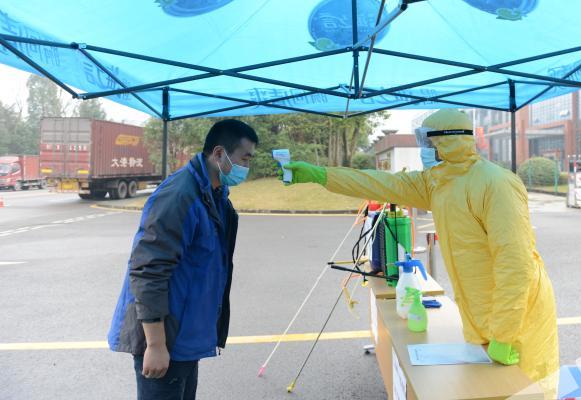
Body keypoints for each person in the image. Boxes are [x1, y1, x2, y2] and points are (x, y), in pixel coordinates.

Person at [284, 109, 558, 385]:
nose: (425, 149)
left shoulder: (497, 184)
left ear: (448, 140)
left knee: (529, 388)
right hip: (484, 318)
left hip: (520, 321)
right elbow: (379, 183)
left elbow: (515, 264)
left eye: (429, 142)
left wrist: (504, 334)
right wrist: (321, 175)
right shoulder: (437, 183)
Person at [108, 119, 257, 400]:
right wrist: (155, 344)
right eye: (244, 159)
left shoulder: (213, 195)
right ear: (219, 154)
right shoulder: (180, 195)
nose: (247, 168)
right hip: (166, 340)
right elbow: (148, 269)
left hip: (186, 338)